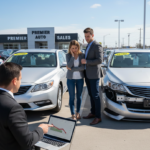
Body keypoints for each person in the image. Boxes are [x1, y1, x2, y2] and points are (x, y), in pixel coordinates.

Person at [0, 62, 53, 150]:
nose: (21, 82)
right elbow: (27, 142)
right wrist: (40, 129)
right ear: (14, 81)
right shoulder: (13, 108)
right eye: (20, 79)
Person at [81, 28, 103, 125]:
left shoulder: (97, 45)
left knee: (95, 96)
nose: (86, 38)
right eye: (85, 36)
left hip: (94, 74)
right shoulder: (88, 45)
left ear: (92, 35)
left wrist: (87, 62)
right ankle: (93, 112)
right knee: (91, 94)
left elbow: (99, 60)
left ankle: (98, 117)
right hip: (88, 74)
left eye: (88, 36)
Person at [66, 40, 85, 120]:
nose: (74, 50)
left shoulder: (82, 55)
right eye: (72, 48)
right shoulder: (68, 55)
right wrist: (73, 57)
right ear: (70, 48)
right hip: (70, 79)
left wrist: (72, 69)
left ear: (78, 47)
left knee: (79, 96)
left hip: (80, 79)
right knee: (72, 97)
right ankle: (73, 114)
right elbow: (69, 65)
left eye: (76, 48)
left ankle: (78, 113)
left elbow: (83, 68)